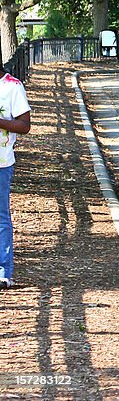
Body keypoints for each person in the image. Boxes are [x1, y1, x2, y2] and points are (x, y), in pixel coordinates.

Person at [0, 72, 31, 290]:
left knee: (1, 218)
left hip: (1, 164)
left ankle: (3, 272)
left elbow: (24, 125)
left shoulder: (12, 86)